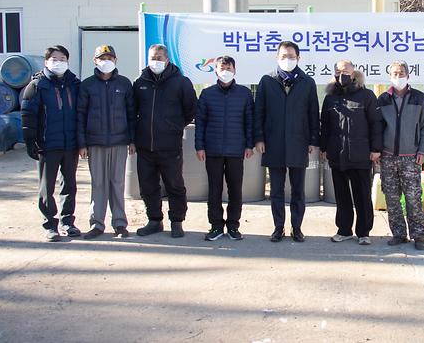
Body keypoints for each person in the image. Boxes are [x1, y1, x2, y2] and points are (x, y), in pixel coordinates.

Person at [254, 41, 319, 243]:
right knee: (276, 190)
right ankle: (278, 227)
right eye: (283, 56)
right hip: (273, 142)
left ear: (298, 58)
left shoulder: (307, 82)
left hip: (299, 142)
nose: (287, 59)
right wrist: (259, 138)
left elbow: (313, 114)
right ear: (277, 58)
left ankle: (297, 228)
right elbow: (259, 112)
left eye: (291, 56)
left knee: (298, 190)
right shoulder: (267, 81)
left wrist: (313, 140)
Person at [133, 44, 196, 239]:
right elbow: (132, 111)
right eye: (153, 57)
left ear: (167, 60)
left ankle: (177, 221)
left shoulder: (181, 82)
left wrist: (174, 127)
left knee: (174, 185)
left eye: (159, 57)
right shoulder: (140, 82)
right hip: (145, 146)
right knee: (148, 186)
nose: (156, 61)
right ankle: (154, 220)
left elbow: (190, 110)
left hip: (170, 145)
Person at [21, 45, 82, 242]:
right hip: (47, 145)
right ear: (46, 61)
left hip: (70, 144)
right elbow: (28, 115)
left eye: (62, 59)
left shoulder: (74, 84)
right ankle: (50, 224)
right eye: (54, 59)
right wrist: (30, 140)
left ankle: (68, 222)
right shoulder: (37, 86)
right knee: (47, 188)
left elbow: (81, 113)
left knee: (69, 185)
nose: (59, 62)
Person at [320, 60, 383, 246]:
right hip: (337, 155)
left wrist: (376, 149)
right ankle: (344, 230)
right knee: (342, 196)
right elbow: (325, 125)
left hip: (360, 155)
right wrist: (324, 147)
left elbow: (376, 124)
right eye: (338, 72)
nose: (342, 75)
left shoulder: (366, 95)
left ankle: (364, 232)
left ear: (354, 72)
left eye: (346, 71)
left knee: (362, 196)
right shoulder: (330, 98)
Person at [77, 45, 136, 240]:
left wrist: (132, 140)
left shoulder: (124, 84)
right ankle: (97, 224)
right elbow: (80, 115)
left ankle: (120, 223)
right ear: (95, 61)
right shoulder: (87, 85)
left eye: (110, 58)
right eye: (102, 58)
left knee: (117, 183)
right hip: (95, 142)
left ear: (116, 60)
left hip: (119, 142)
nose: (106, 61)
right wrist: (82, 143)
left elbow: (131, 114)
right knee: (98, 184)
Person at [195, 56, 254, 241]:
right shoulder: (207, 94)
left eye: (229, 68)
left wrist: (249, 144)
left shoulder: (244, 93)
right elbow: (200, 122)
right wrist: (199, 146)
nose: (225, 71)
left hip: (236, 150)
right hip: (212, 149)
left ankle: (233, 226)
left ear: (235, 70)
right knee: (214, 189)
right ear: (216, 70)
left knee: (235, 190)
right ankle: (216, 226)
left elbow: (249, 121)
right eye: (222, 68)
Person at [377, 60, 424, 250]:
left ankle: (419, 235)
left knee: (413, 198)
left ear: (408, 75)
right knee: (392, 198)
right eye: (394, 73)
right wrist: (378, 151)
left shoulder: (419, 98)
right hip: (388, 157)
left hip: (411, 157)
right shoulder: (383, 99)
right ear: (389, 76)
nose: (398, 76)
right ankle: (399, 233)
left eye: (401, 73)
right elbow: (377, 128)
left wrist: (422, 151)